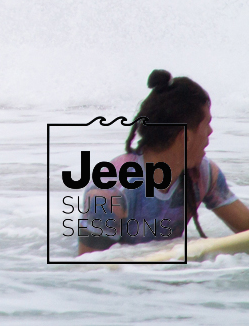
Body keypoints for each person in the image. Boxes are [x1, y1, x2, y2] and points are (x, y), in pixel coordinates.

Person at [77, 69, 249, 254]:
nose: (210, 131)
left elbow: (246, 231)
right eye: (207, 122)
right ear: (185, 136)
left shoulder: (203, 175)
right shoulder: (110, 192)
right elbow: (89, 270)